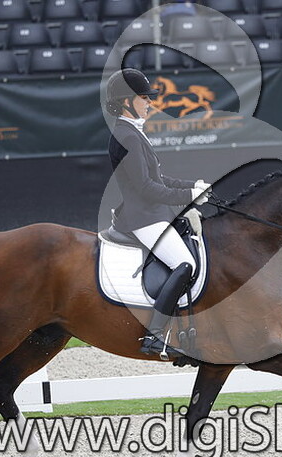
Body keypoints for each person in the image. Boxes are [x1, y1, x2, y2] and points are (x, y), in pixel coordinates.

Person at [105, 68, 211, 358]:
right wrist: (188, 197)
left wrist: (193, 186)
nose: (150, 102)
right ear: (126, 101)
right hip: (143, 217)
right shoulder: (126, 135)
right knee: (185, 264)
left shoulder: (133, 132)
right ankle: (154, 336)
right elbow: (146, 188)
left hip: (152, 213)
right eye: (143, 97)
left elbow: (159, 179)